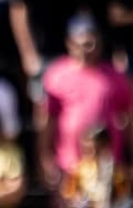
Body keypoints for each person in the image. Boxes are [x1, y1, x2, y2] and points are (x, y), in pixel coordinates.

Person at [39, 14, 132, 191]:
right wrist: (45, 159)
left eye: (93, 43)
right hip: (69, 167)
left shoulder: (116, 77)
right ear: (70, 43)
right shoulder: (56, 75)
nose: (88, 49)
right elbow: (47, 121)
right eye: (83, 44)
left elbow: (129, 119)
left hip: (108, 168)